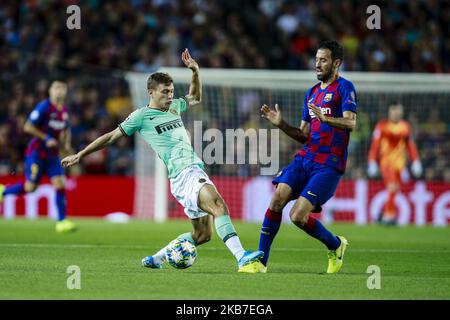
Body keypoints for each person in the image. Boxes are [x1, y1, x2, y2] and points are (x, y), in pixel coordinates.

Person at [60, 49, 263, 271]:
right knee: (218, 205)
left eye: (171, 91)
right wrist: (80, 154)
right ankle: (242, 257)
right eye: (165, 92)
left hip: (188, 173)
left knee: (202, 235)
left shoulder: (174, 106)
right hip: (185, 173)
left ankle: (158, 258)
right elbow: (110, 137)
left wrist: (195, 72)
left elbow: (195, 97)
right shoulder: (141, 116)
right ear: (151, 92)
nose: (169, 96)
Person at [241, 40, 356, 273]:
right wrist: (281, 124)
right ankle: (260, 262)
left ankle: (335, 244)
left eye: (323, 60)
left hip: (329, 163)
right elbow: (303, 134)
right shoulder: (311, 94)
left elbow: (351, 122)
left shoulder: (345, 87)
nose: (317, 65)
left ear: (336, 63)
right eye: (316, 60)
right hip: (306, 157)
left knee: (297, 216)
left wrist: (327, 119)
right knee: (276, 200)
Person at [0, 79, 76, 233]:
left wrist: (67, 145)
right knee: (31, 187)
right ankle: (3, 192)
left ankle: (62, 221)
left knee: (60, 184)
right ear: (50, 91)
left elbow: (66, 130)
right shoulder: (44, 107)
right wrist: (46, 138)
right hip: (37, 153)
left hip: (53, 156)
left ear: (66, 91)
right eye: (56, 88)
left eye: (62, 88)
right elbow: (28, 126)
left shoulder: (64, 111)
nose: (59, 91)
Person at [367, 103, 422, 225]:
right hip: (386, 163)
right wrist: (372, 161)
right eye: (394, 111)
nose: (396, 113)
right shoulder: (382, 126)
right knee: (392, 186)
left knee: (394, 189)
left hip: (400, 165)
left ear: (401, 112)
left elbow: (410, 145)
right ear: (389, 112)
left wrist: (416, 161)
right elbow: (375, 145)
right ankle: (388, 216)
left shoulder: (405, 127)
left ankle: (384, 214)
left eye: (398, 111)